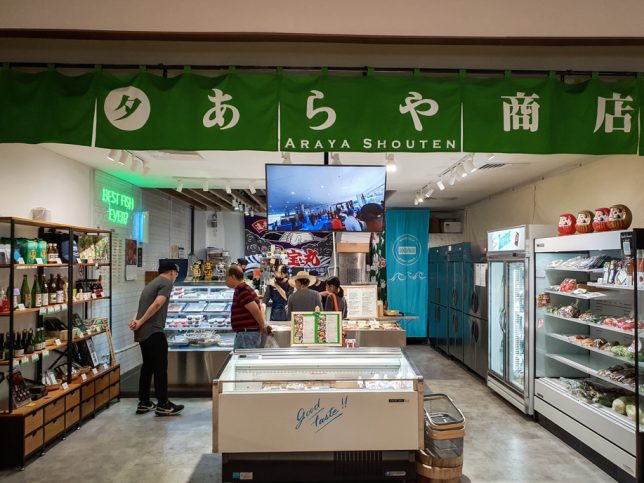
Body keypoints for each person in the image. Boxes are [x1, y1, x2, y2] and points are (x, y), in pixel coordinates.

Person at [129, 261, 184, 416]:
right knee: (160, 369)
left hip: (143, 332)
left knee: (147, 367)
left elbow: (142, 306)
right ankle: (163, 404)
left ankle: (144, 402)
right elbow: (158, 304)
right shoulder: (166, 283)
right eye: (176, 274)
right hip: (154, 331)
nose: (175, 277)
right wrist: (140, 321)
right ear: (172, 272)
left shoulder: (151, 283)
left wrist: (136, 321)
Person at [226, 265, 270, 348]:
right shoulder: (243, 288)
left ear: (233, 277)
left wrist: (262, 326)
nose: (225, 280)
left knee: (245, 356)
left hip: (247, 335)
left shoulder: (242, 290)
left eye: (226, 277)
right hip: (246, 334)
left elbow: (255, 310)